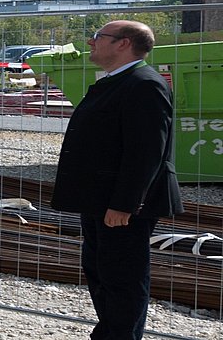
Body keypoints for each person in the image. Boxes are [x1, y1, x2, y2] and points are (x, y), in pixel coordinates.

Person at [53, 20, 182, 340]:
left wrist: (124, 204)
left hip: (121, 205)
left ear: (123, 43)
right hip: (100, 200)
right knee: (101, 272)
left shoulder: (143, 83)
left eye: (99, 36)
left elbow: (146, 152)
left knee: (122, 277)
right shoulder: (117, 80)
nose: (91, 41)